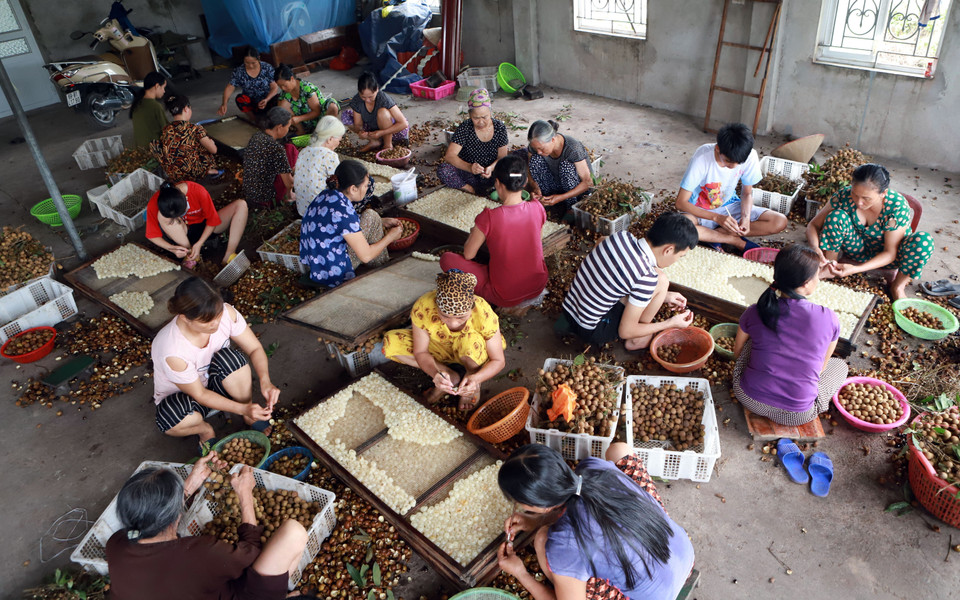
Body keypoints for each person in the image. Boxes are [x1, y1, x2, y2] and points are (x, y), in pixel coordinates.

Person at [497, 443, 695, 600]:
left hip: (661, 595)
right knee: (619, 450)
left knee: (541, 540)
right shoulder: (591, 466)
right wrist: (533, 520)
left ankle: (564, 582)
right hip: (681, 552)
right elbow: (580, 502)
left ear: (541, 505)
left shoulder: (562, 546)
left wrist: (520, 573)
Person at [105, 456, 308, 600]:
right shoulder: (199, 553)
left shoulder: (117, 543)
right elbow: (250, 552)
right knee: (293, 533)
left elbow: (156, 518)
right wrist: (245, 494)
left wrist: (192, 482)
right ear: (176, 515)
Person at [151, 278, 279, 450]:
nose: (216, 324)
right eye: (206, 321)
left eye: (218, 316)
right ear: (185, 318)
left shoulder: (227, 313)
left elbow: (255, 348)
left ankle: (249, 413)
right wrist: (242, 409)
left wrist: (265, 381)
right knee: (170, 418)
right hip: (189, 399)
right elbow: (200, 395)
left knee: (231, 359)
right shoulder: (172, 349)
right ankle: (205, 430)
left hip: (219, 381)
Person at [732, 244, 849, 426]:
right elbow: (821, 368)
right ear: (806, 283)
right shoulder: (828, 318)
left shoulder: (756, 311)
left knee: (752, 342)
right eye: (817, 275)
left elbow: (738, 352)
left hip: (748, 398)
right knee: (840, 366)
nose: (819, 279)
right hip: (797, 415)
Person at [559, 212, 698, 350]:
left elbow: (601, 244)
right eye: (680, 256)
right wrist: (670, 323)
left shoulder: (621, 236)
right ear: (668, 250)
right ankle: (636, 340)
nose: (677, 260)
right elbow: (625, 331)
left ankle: (649, 307)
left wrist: (664, 297)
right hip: (591, 329)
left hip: (569, 309)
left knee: (654, 281)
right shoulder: (647, 277)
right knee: (661, 281)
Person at [805, 163, 934, 300]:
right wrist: (816, 249)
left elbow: (890, 252)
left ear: (883, 193)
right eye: (855, 194)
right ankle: (830, 267)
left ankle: (897, 287)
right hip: (856, 249)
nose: (859, 202)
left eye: (866, 198)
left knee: (923, 242)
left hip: (889, 258)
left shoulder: (896, 207)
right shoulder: (844, 196)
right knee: (836, 217)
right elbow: (813, 225)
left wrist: (855, 269)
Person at [383, 270, 506, 411]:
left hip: (472, 351)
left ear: (472, 308)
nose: (453, 323)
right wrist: (435, 373)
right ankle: (449, 376)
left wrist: (477, 378)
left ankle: (471, 380)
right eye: (445, 316)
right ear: (436, 305)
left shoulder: (483, 312)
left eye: (461, 317)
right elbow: (421, 351)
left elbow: (498, 360)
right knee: (390, 342)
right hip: (440, 347)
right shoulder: (424, 307)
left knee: (468, 342)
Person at [440, 155, 548, 308]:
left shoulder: (489, 217)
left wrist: (474, 233)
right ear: (524, 183)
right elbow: (537, 242)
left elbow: (468, 254)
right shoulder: (538, 207)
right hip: (537, 285)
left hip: (506, 296)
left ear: (497, 183)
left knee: (447, 259)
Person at [674, 122, 787, 252]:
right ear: (717, 149)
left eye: (738, 163)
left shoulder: (750, 156)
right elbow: (680, 203)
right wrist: (717, 218)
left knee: (779, 221)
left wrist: (745, 218)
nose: (733, 166)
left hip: (729, 206)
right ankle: (733, 240)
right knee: (680, 229)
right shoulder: (702, 158)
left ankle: (713, 236)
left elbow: (746, 193)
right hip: (698, 211)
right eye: (728, 161)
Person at [299, 160, 402, 287]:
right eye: (365, 186)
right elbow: (366, 255)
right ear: (353, 189)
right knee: (371, 216)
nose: (366, 189)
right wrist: (391, 236)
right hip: (333, 270)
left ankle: (380, 262)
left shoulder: (327, 194)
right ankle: (382, 266)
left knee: (373, 218)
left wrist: (382, 221)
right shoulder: (343, 211)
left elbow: (338, 224)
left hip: (315, 262)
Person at [145, 181, 248, 267]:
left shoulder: (197, 191)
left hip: (206, 226)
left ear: (185, 199)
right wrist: (171, 249)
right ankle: (191, 256)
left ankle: (229, 255)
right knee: (161, 216)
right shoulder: (155, 202)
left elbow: (213, 220)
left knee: (241, 205)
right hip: (182, 233)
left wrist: (199, 243)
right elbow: (152, 235)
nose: (177, 217)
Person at [437, 88, 509, 195]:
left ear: (490, 112)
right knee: (444, 170)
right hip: (469, 175)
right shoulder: (465, 128)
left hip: (491, 175)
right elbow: (450, 156)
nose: (481, 122)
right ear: (470, 115)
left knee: (514, 169)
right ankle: (470, 190)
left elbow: (502, 157)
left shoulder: (499, 127)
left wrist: (491, 168)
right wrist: (470, 167)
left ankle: (493, 189)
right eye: (476, 118)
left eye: (485, 117)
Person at [525, 119, 593, 214]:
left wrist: (561, 197)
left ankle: (571, 208)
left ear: (553, 140)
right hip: (555, 185)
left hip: (576, 190)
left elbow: (588, 183)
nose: (539, 152)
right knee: (535, 160)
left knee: (566, 166)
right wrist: (534, 186)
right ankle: (546, 200)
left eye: (541, 148)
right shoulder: (536, 146)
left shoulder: (572, 148)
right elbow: (529, 167)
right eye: (536, 149)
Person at [152, 94, 222, 183]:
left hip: (173, 174)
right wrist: (211, 142)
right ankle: (207, 171)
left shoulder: (166, 130)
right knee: (204, 146)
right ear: (186, 108)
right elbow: (214, 150)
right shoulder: (195, 129)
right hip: (191, 174)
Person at [341, 71, 409, 152]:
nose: (367, 100)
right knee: (345, 115)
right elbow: (358, 124)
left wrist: (381, 132)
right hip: (373, 131)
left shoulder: (383, 99)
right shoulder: (357, 100)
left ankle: (387, 144)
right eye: (363, 97)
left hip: (394, 132)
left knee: (382, 112)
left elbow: (403, 124)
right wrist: (361, 132)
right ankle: (374, 141)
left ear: (377, 89)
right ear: (359, 92)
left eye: (370, 97)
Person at [243, 107, 296, 209]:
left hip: (249, 193)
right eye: (288, 127)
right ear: (279, 127)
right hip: (266, 199)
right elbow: (289, 183)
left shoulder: (256, 136)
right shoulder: (277, 149)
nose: (288, 130)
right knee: (290, 149)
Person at [294, 115, 346, 216]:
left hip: (303, 209)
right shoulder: (329, 155)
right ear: (330, 139)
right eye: (339, 140)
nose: (339, 143)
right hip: (320, 211)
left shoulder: (304, 151)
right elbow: (338, 183)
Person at [274, 63, 339, 136]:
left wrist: (299, 118)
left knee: (332, 106)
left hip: (320, 118)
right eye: (280, 86)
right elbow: (281, 112)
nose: (283, 88)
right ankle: (301, 131)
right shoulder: (284, 94)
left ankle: (325, 131)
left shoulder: (307, 88)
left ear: (292, 79)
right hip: (305, 123)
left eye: (285, 85)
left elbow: (317, 112)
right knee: (282, 106)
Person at [218, 46, 279, 116]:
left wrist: (266, 99)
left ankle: (271, 115)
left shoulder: (267, 68)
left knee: (279, 98)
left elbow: (274, 87)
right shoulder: (239, 71)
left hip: (267, 99)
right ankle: (253, 119)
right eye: (247, 63)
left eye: (253, 63)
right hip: (251, 102)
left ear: (259, 58)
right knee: (240, 99)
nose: (251, 66)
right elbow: (230, 87)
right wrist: (224, 104)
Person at [131, 71, 168, 148]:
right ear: (157, 86)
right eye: (163, 87)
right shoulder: (155, 106)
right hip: (154, 150)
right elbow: (166, 131)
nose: (164, 91)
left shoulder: (137, 104)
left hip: (141, 150)